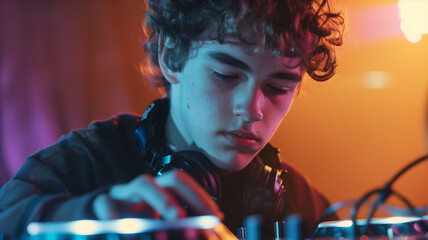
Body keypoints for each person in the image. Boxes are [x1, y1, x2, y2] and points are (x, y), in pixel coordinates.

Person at [0, 0, 344, 239]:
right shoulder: (86, 161)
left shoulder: (298, 199)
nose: (252, 110)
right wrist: (88, 217)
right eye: (226, 75)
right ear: (170, 58)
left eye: (277, 87)